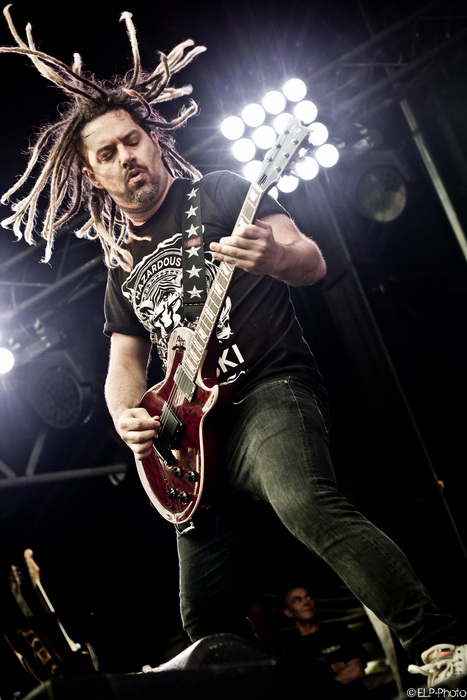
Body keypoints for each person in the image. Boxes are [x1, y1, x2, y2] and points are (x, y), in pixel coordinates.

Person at [1, 7, 466, 690]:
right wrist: (128, 417)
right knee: (204, 619)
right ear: (93, 175)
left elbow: (309, 258)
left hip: (268, 391)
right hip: (189, 440)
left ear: (154, 141)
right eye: (107, 153)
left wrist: (271, 255)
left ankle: (440, 643)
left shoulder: (218, 193)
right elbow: (124, 365)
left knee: (304, 501)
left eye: (132, 140)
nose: (126, 156)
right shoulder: (120, 265)